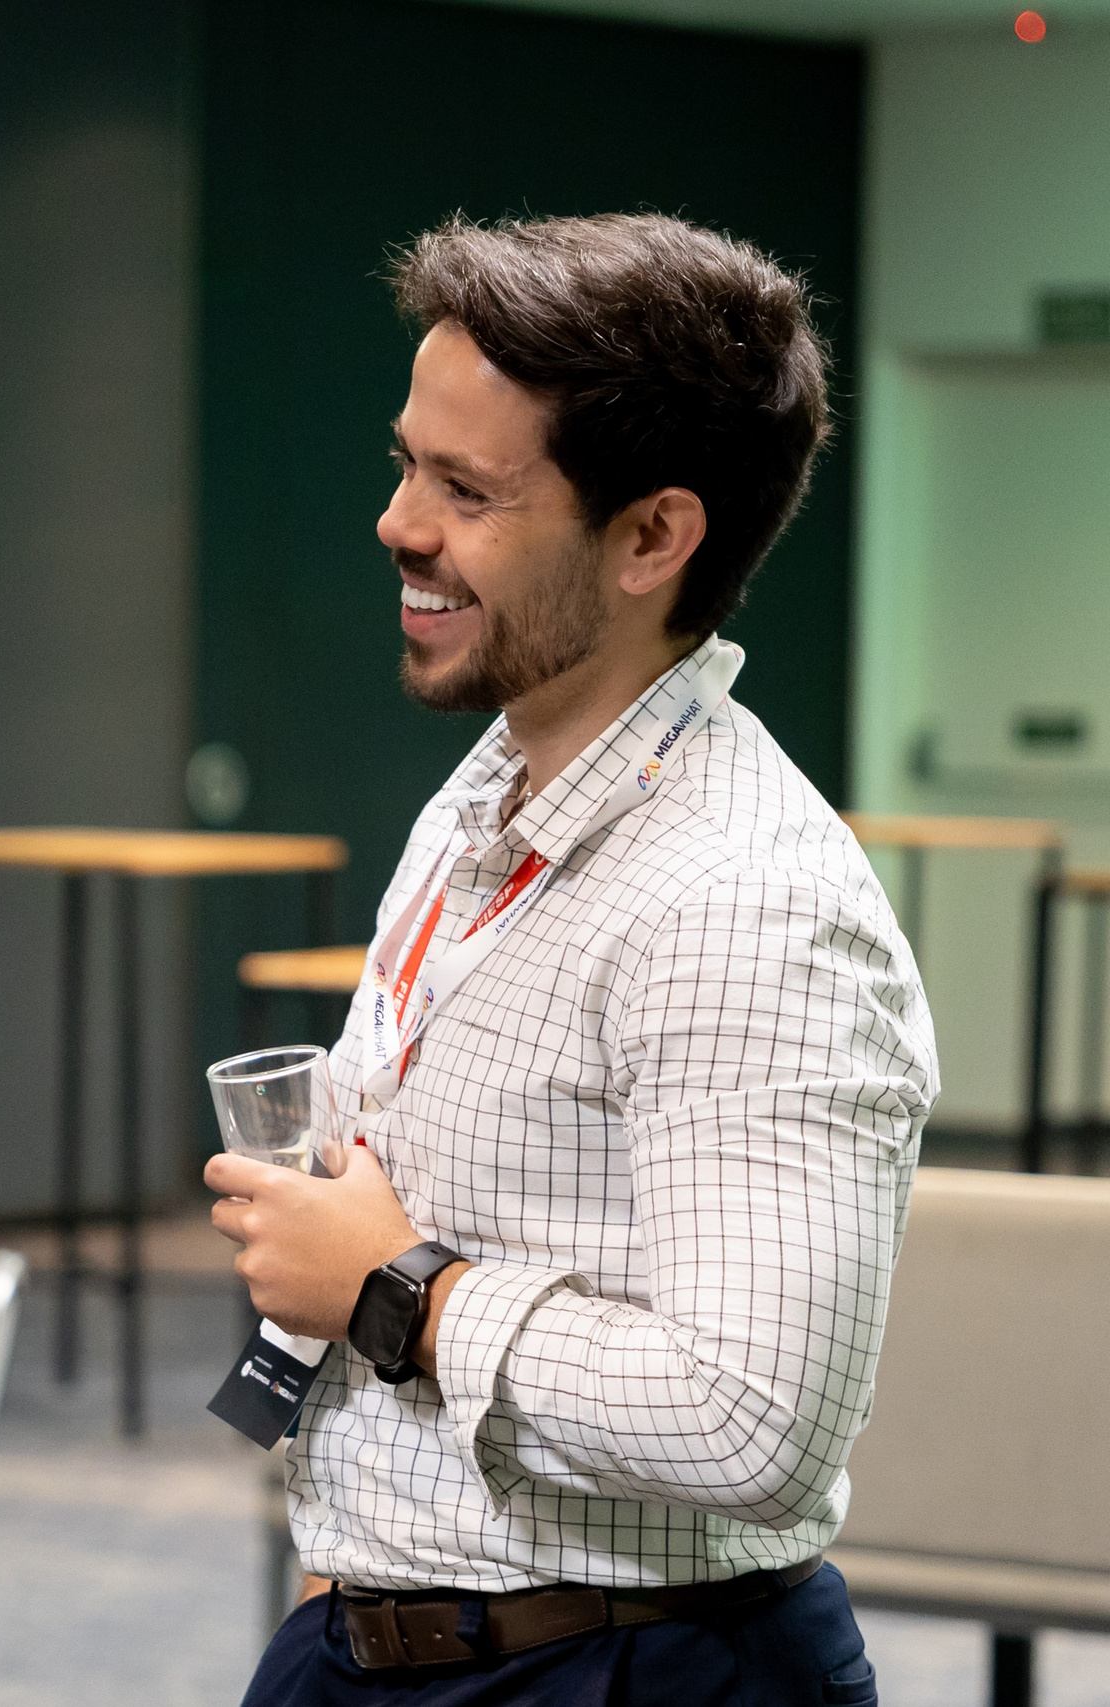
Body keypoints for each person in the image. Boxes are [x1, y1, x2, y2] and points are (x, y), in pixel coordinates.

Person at [206, 212, 932, 1705]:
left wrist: (400, 1292)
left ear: (655, 538)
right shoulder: (491, 787)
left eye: (468, 490)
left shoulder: (748, 903)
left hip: (627, 1675)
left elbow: (752, 1422)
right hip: (389, 1641)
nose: (401, 524)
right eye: (406, 463)